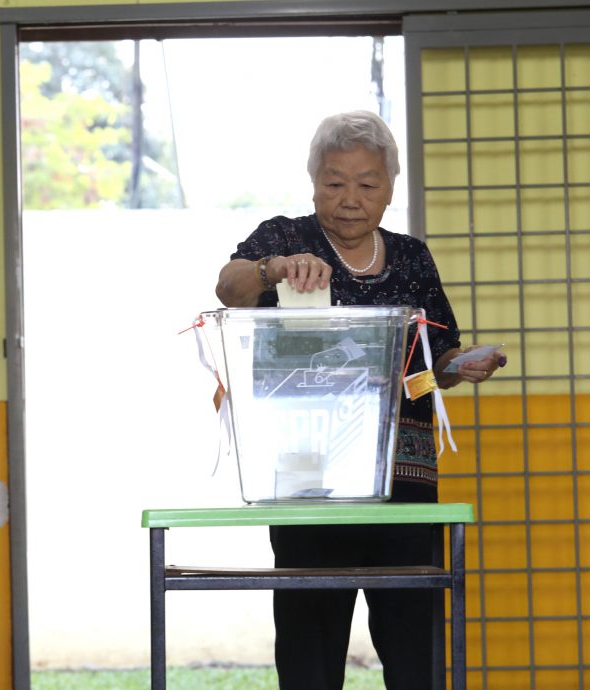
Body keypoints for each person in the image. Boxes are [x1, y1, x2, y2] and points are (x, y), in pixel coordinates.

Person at [215, 111, 504, 690]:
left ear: (390, 189)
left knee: (414, 649)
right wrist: (273, 270)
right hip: (308, 480)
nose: (350, 198)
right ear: (314, 181)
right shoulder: (285, 237)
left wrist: (455, 366)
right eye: (334, 181)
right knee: (309, 653)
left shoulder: (414, 257)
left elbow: (429, 368)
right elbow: (228, 287)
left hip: (406, 481)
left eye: (367, 184)